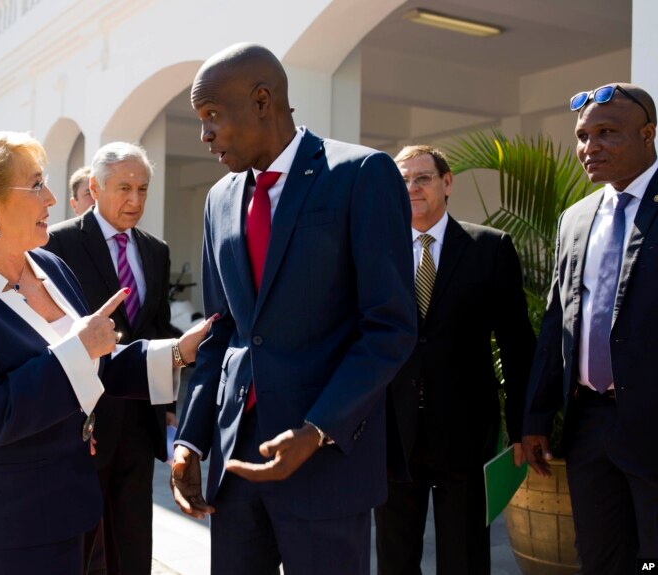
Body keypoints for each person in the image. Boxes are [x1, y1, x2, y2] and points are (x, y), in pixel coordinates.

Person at [0, 131, 213, 575]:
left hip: (67, 511)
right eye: (34, 185)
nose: (51, 197)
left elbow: (95, 362)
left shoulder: (48, 265)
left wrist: (177, 353)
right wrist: (78, 347)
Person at [170, 43, 416, 574]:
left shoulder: (360, 175)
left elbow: (389, 328)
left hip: (325, 462)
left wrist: (318, 429)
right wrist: (190, 436)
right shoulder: (219, 200)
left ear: (263, 101)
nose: (204, 134)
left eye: (212, 116)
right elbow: (221, 331)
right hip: (235, 466)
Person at [374, 145, 536, 574]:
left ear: (447, 183)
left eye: (422, 178)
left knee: (464, 558)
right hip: (394, 433)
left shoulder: (489, 248)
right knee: (394, 559)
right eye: (402, 181)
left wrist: (523, 425)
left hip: (465, 434)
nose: (411, 188)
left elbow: (517, 343)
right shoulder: (376, 252)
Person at [523, 82, 658, 573]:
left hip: (652, 421)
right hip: (590, 425)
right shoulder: (575, 219)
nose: (589, 147)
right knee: (600, 559)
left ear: (648, 134)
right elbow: (557, 323)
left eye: (606, 133)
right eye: (583, 136)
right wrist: (536, 417)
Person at [45, 142, 178, 575]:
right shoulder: (57, 244)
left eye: (143, 189)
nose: (135, 200)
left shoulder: (155, 250)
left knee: (134, 537)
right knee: (81, 543)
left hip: (140, 420)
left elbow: (155, 330)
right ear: (95, 188)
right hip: (85, 422)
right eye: (124, 188)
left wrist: (171, 397)